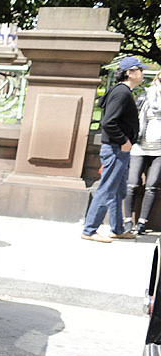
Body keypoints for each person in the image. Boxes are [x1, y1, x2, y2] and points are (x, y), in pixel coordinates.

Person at [82, 56, 145, 242]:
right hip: (116, 149)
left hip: (119, 149)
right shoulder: (122, 93)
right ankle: (89, 230)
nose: (142, 72)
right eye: (139, 69)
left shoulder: (123, 92)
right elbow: (109, 122)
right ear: (129, 73)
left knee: (118, 190)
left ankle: (117, 228)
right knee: (107, 188)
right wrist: (124, 140)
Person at [125, 71, 161, 235]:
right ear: (156, 79)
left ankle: (142, 222)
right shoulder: (144, 97)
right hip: (140, 147)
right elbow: (133, 120)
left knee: (152, 186)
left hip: (159, 150)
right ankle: (127, 221)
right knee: (132, 184)